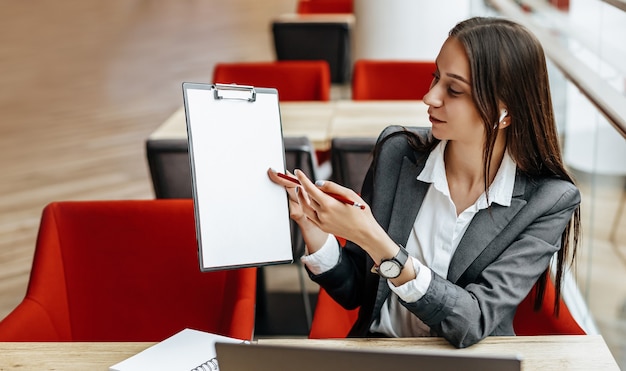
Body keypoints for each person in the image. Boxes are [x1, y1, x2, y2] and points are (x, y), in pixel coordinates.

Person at [268, 16, 581, 348]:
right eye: (436, 77)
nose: (430, 97)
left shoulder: (548, 200)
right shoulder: (396, 153)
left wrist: (374, 240)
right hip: (380, 354)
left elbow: (472, 321)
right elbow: (358, 292)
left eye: (454, 89)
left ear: (504, 113)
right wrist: (313, 225)